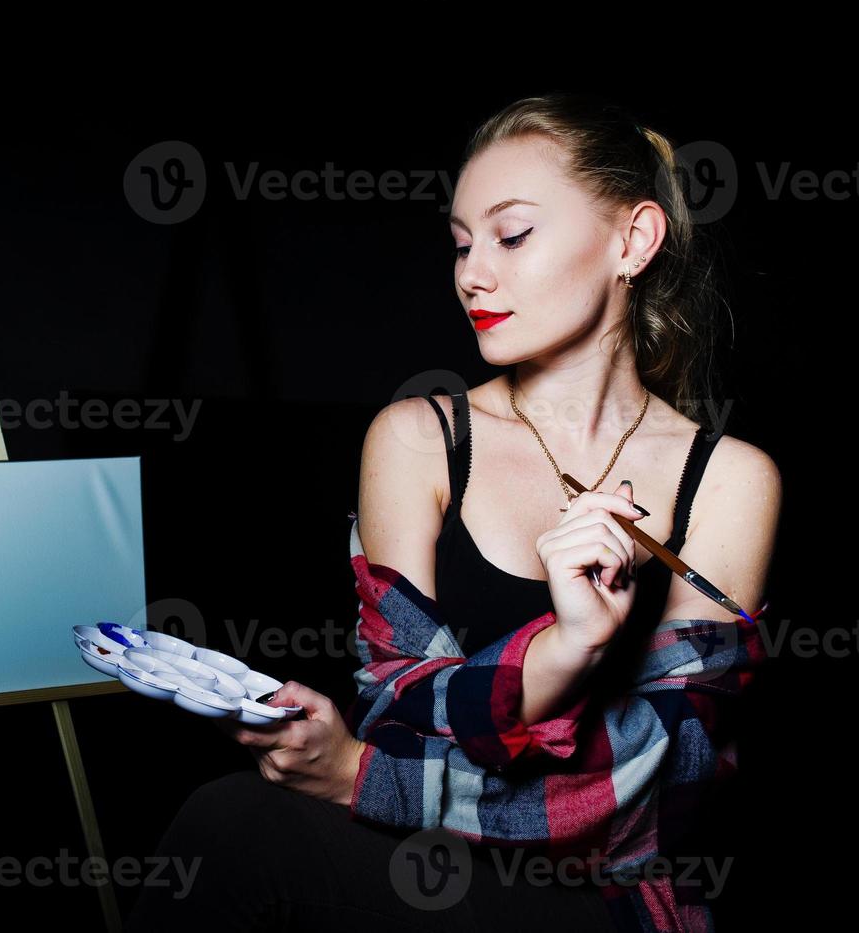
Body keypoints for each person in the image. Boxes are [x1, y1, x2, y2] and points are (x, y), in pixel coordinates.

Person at [124, 92, 781, 932]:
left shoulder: (725, 478)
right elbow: (398, 707)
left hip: (607, 899)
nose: (472, 274)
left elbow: (650, 795)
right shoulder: (417, 439)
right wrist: (564, 645)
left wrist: (362, 775)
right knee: (231, 822)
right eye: (462, 244)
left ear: (632, 240)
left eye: (511, 235)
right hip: (424, 867)